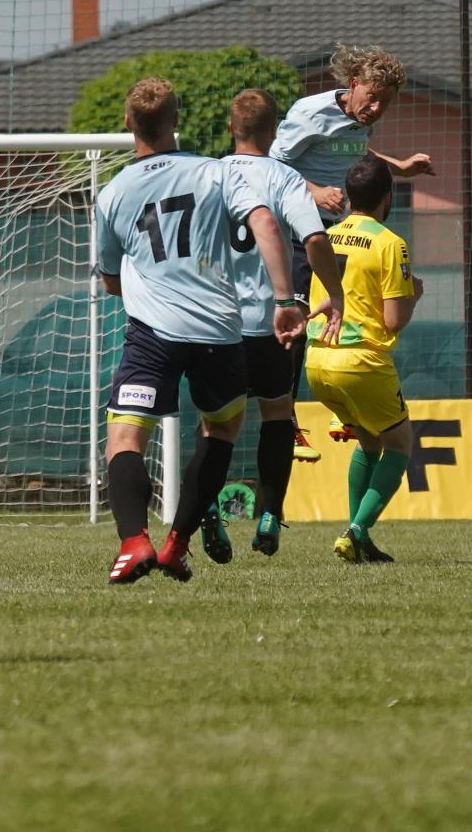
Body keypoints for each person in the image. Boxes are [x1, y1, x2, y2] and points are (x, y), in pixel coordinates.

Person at [95, 76, 317, 585]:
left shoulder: (113, 193)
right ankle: (176, 545)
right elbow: (264, 223)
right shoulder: (214, 173)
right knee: (220, 431)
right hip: (220, 332)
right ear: (176, 121)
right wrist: (285, 300)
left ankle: (133, 542)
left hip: (153, 334)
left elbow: (109, 279)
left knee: (125, 438)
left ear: (128, 123)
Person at [200, 89, 344, 562]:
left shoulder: (209, 174)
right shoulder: (284, 177)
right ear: (275, 130)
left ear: (231, 128)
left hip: (216, 323)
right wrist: (334, 291)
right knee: (277, 413)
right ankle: (269, 513)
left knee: (215, 425)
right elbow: (315, 237)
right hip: (272, 320)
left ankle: (206, 507)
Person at [271, 44, 434, 438]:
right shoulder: (311, 113)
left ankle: (341, 406)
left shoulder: (360, 118)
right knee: (299, 318)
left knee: (350, 311)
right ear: (354, 83)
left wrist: (400, 168)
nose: (376, 109)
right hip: (297, 231)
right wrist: (313, 192)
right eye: (372, 97)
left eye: (385, 102)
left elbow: (356, 148)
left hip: (336, 232)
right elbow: (272, 165)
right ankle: (284, 418)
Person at [306, 155, 421, 565]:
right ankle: (356, 530)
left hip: (318, 359)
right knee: (400, 443)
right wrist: (415, 293)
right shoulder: (391, 243)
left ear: (349, 195)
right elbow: (393, 320)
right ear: (387, 196)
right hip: (361, 362)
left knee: (370, 441)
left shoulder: (326, 235)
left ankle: (361, 539)